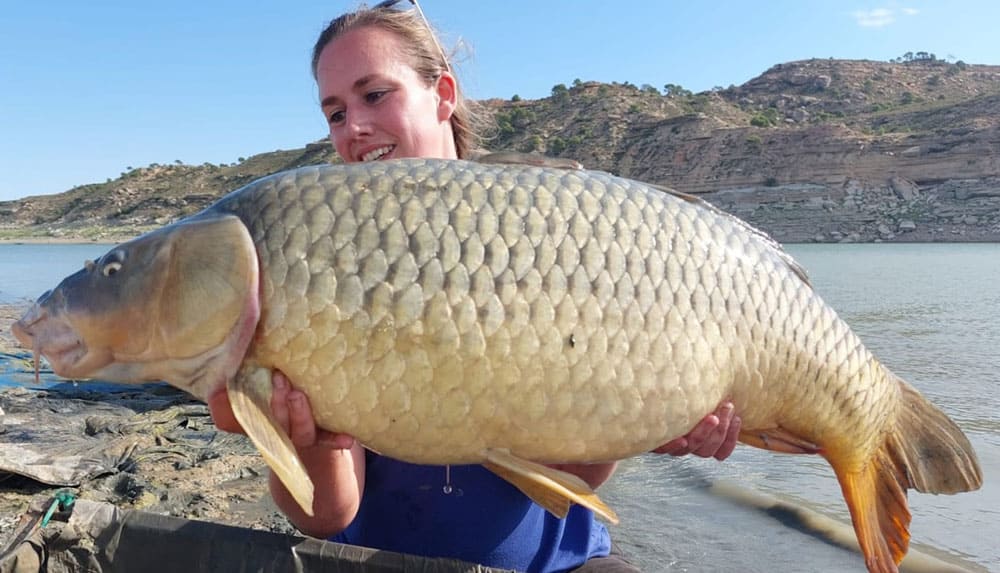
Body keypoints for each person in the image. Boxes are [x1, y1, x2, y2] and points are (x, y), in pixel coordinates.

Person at [208, 2, 742, 571]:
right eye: (335, 113)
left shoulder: (541, 230)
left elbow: (568, 483)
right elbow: (326, 515)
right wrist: (304, 438)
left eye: (374, 95)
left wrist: (649, 424)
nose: (354, 127)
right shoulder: (326, 264)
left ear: (442, 94)